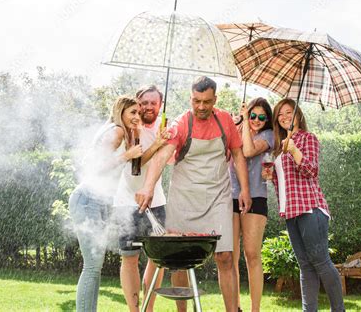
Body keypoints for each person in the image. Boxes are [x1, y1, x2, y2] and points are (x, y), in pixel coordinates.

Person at [135, 76, 252, 312]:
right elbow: (161, 156)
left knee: (226, 257)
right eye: (196, 101)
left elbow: (238, 154)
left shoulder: (226, 121)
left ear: (214, 100)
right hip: (184, 198)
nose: (200, 107)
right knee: (179, 262)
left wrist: (245, 190)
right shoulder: (182, 123)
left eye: (206, 102)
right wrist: (148, 187)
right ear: (191, 98)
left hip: (217, 196)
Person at [262, 98, 345, 312]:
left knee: (321, 261)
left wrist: (295, 150)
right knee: (305, 265)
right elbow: (285, 185)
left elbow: (311, 171)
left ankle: (339, 309)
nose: (284, 117)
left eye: (289, 112)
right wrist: (270, 175)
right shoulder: (280, 148)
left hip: (310, 209)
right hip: (291, 213)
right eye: (280, 114)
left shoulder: (308, 138)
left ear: (298, 115)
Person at [68, 96, 144, 312]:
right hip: (88, 199)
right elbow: (96, 168)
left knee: (95, 266)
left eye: (139, 113)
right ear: (121, 112)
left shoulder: (119, 131)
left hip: (96, 200)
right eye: (133, 113)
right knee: (92, 266)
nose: (137, 117)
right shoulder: (117, 131)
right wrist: (127, 155)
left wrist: (135, 137)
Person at [113, 85, 170, 312]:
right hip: (126, 202)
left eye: (152, 103)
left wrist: (163, 141)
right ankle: (134, 310)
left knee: (156, 260)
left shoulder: (166, 129)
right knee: (129, 258)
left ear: (160, 106)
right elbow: (134, 166)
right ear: (137, 103)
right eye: (143, 103)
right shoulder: (127, 128)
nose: (147, 107)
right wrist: (155, 144)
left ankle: (148, 309)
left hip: (156, 202)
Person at [229, 98, 274, 312]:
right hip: (230, 196)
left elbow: (247, 151)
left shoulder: (268, 136)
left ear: (267, 119)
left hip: (256, 197)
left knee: (252, 254)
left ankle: (255, 309)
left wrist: (245, 122)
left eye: (261, 117)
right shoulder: (237, 128)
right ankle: (235, 307)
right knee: (231, 256)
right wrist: (235, 126)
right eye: (253, 115)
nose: (256, 120)